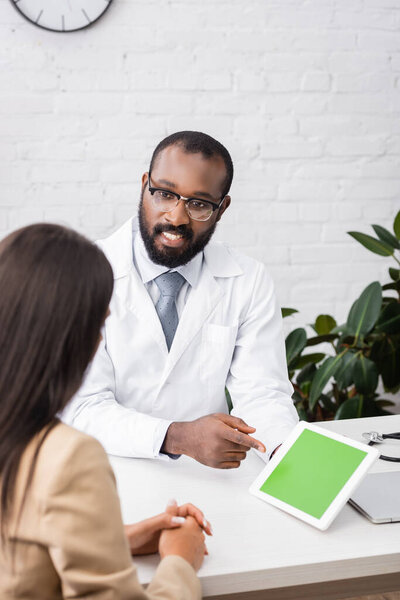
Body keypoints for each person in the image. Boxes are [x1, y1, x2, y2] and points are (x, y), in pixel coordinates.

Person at [63, 131, 299, 469]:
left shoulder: (248, 279)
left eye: (199, 203)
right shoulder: (84, 273)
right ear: (145, 185)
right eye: (164, 194)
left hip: (207, 477)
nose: (176, 217)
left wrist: (281, 452)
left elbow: (262, 393)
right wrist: (177, 437)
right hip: (103, 472)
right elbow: (83, 405)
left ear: (222, 208)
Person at [0, 224, 210, 599]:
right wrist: (180, 562)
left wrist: (115, 539)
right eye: (100, 323)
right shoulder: (67, 458)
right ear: (78, 339)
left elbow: (18, 550)